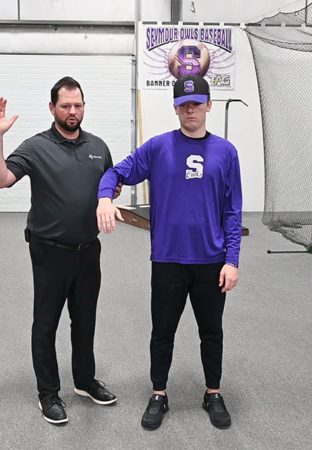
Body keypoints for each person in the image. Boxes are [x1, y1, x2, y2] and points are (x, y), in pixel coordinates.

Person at [95, 74, 242, 431]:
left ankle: (213, 393)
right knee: (162, 332)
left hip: (210, 261)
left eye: (196, 103)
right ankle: (158, 394)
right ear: (175, 108)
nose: (190, 109)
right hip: (167, 260)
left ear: (208, 105)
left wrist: (232, 260)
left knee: (212, 331)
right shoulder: (158, 148)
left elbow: (233, 212)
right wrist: (104, 197)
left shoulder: (226, 152)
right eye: (183, 104)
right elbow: (116, 173)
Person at [0, 76, 121, 425]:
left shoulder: (98, 146)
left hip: (89, 250)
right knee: (46, 324)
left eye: (78, 105)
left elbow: (110, 184)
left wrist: (109, 196)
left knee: (85, 320)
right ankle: (48, 393)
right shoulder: (35, 147)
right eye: (65, 106)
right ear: (52, 108)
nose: (72, 111)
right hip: (50, 252)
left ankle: (85, 381)